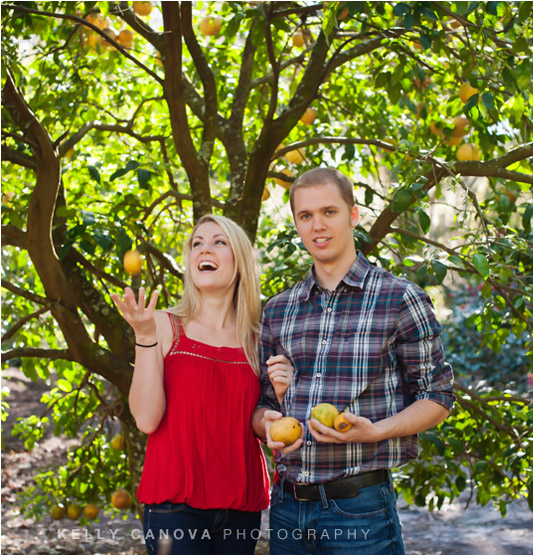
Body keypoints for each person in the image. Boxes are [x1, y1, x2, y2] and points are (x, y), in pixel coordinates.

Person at [252, 167, 455, 554]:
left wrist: (374, 431)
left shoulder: (399, 299)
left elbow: (437, 396)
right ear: (296, 222)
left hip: (359, 509)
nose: (318, 226)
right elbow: (261, 405)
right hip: (287, 508)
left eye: (329, 212)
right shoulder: (279, 310)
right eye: (306, 216)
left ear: (353, 215)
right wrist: (268, 423)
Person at [111, 214, 269, 555]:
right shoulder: (163, 325)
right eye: (196, 243)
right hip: (175, 507)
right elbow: (147, 420)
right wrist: (144, 337)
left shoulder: (259, 338)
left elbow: (266, 418)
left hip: (241, 508)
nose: (203, 250)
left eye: (218, 242)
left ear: (239, 260)